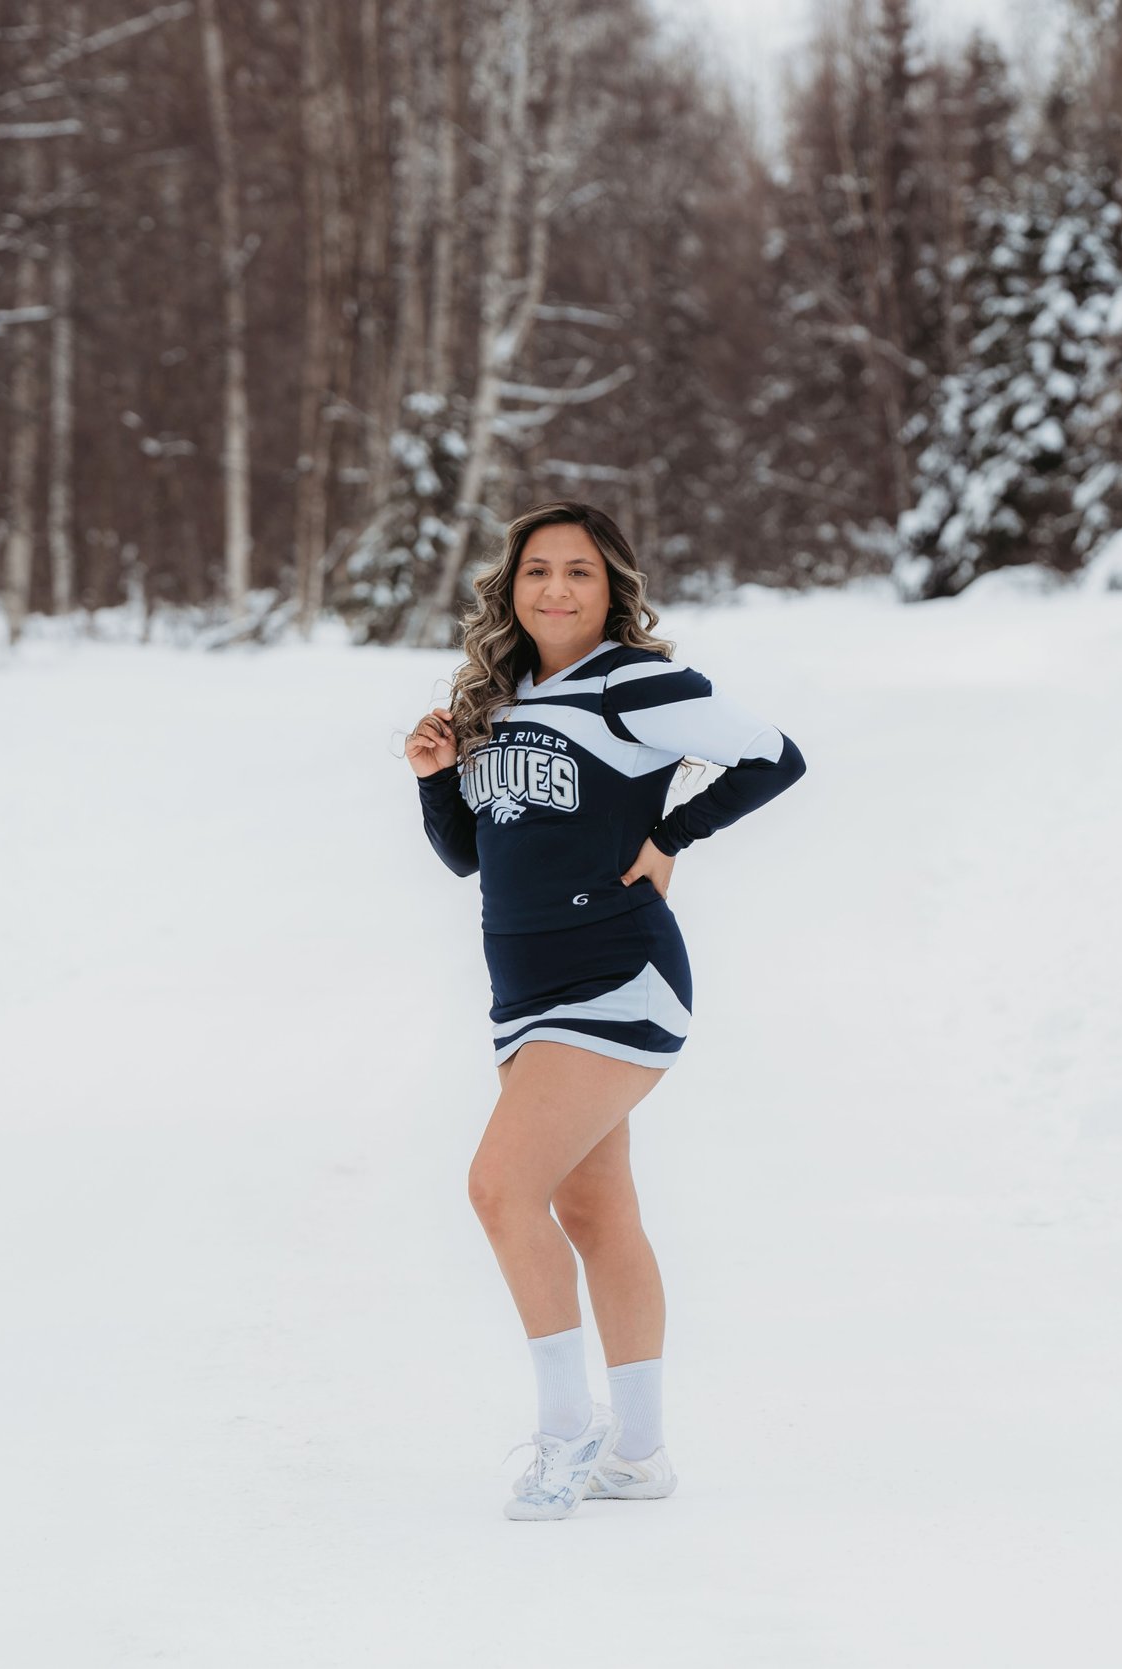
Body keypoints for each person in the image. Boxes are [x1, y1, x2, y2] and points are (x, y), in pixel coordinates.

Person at [403, 500, 808, 1521]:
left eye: (579, 570)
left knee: (499, 1188)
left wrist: (670, 837)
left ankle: (565, 1430)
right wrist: (437, 782)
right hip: (523, 991)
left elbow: (774, 754)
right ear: (511, 586)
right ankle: (638, 1452)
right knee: (594, 1212)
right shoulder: (496, 698)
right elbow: (470, 857)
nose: (556, 588)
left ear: (611, 586)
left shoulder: (636, 683)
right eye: (537, 569)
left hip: (617, 976)